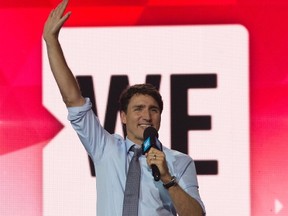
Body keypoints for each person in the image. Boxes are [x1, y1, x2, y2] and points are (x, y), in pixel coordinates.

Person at [43, 0, 206, 215]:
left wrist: (167, 178)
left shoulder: (179, 162)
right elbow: (73, 100)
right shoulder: (105, 148)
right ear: (123, 117)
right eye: (138, 109)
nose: (146, 115)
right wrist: (51, 41)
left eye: (154, 110)